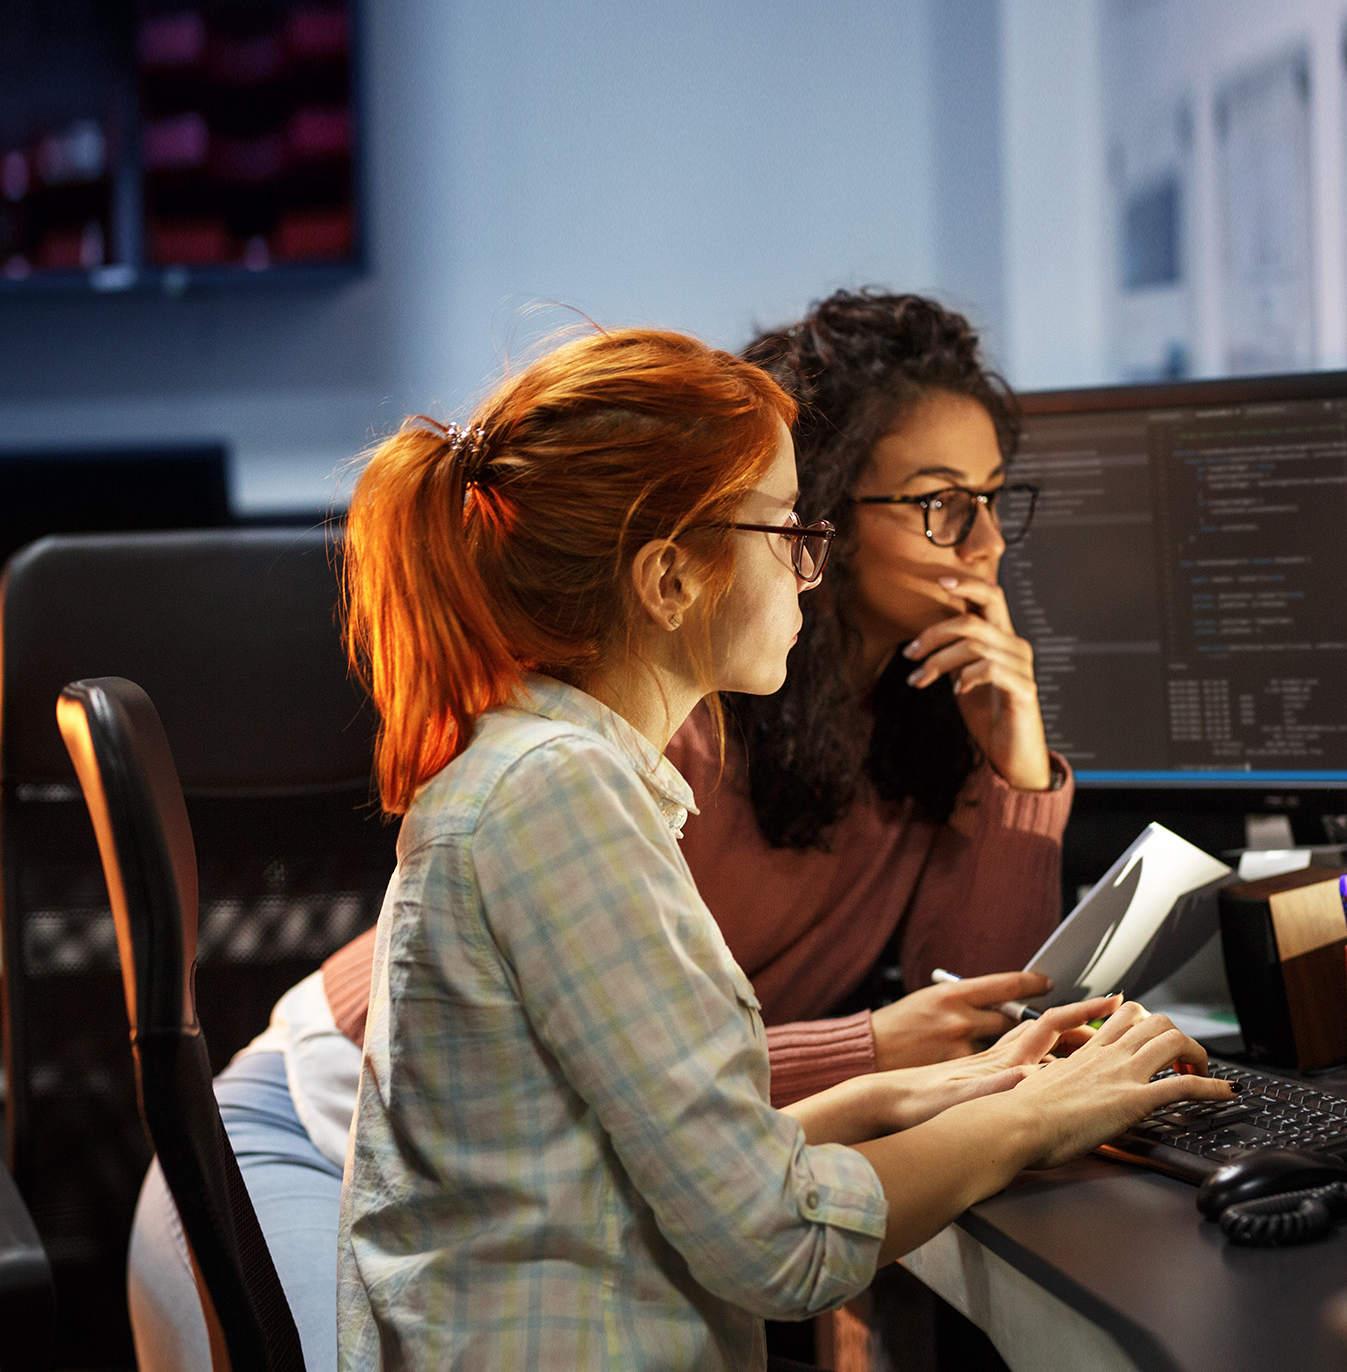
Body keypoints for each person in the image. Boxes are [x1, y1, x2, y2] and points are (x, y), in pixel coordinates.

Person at [124, 293, 1089, 1370]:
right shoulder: (613, 757)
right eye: (938, 503)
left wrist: (1013, 771)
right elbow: (699, 1149)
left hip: (529, 1191)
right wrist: (907, 1073)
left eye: (996, 499)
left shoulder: (843, 719)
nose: (988, 544)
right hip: (312, 1123)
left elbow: (964, 1014)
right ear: (681, 572)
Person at [328, 327, 1230, 1368]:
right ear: (669, 582)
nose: (810, 570)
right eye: (788, 532)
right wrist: (1035, 1122)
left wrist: (924, 1092)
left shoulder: (564, 770)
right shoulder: (561, 794)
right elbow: (780, 1242)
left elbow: (625, 1146)